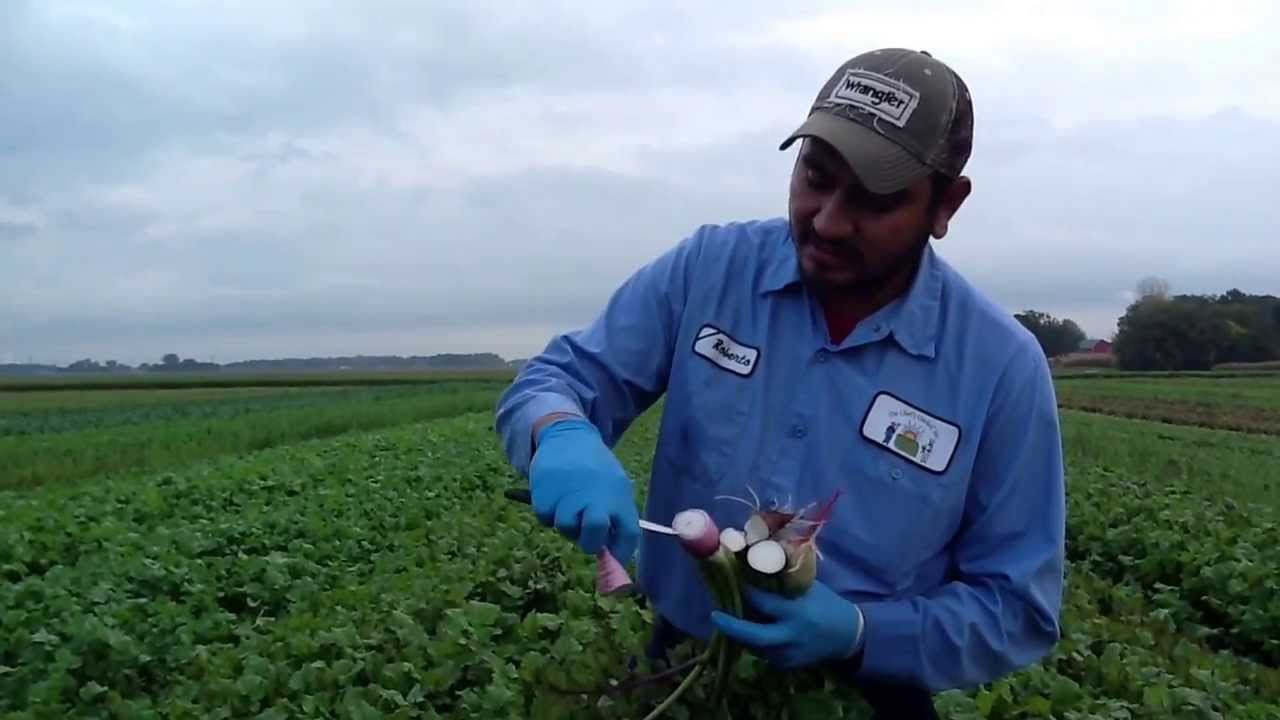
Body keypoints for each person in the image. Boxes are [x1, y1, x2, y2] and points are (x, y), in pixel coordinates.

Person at [494, 47, 1065, 717]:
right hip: (682, 665)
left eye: (874, 201)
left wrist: (859, 634)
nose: (827, 220)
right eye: (815, 177)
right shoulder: (710, 269)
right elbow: (560, 378)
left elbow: (1017, 608)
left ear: (947, 205)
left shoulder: (999, 367)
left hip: (864, 691)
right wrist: (560, 431)